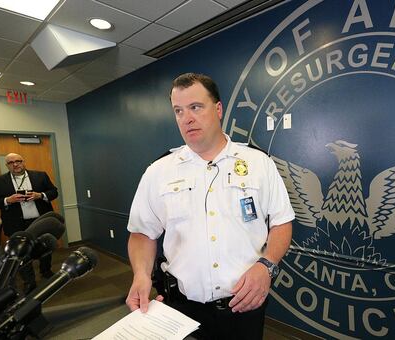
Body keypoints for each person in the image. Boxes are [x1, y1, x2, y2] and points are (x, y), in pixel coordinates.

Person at [126, 73, 294, 339]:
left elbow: (282, 222)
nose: (187, 118)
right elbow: (142, 233)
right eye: (178, 111)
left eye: (195, 107)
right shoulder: (158, 171)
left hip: (244, 304)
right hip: (181, 308)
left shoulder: (258, 163)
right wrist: (140, 274)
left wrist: (267, 265)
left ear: (218, 109)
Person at [0, 153, 59, 293]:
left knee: (45, 246)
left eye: (18, 161)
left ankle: (46, 271)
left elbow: (54, 192)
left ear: (23, 162)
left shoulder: (40, 176)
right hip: (16, 224)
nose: (15, 164)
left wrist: (41, 195)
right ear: (7, 165)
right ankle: (29, 281)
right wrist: (8, 200)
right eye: (11, 162)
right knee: (21, 253)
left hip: (40, 221)